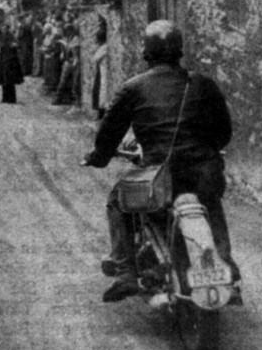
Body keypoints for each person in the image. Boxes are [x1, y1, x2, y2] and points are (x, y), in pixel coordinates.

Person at [83, 20, 240, 303]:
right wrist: (206, 150)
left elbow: (109, 134)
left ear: (146, 53)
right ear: (179, 51)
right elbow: (223, 132)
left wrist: (98, 157)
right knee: (211, 202)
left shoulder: (133, 88)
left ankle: (126, 272)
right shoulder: (204, 84)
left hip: (159, 177)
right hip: (204, 172)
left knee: (117, 202)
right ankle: (226, 262)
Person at [0, 26, 24, 104]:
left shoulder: (10, 36)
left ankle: (11, 98)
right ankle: (5, 98)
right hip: (5, 60)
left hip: (10, 61)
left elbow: (13, 46)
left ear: (7, 29)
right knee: (5, 81)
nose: (3, 30)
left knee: (9, 80)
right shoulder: (3, 36)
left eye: (4, 29)